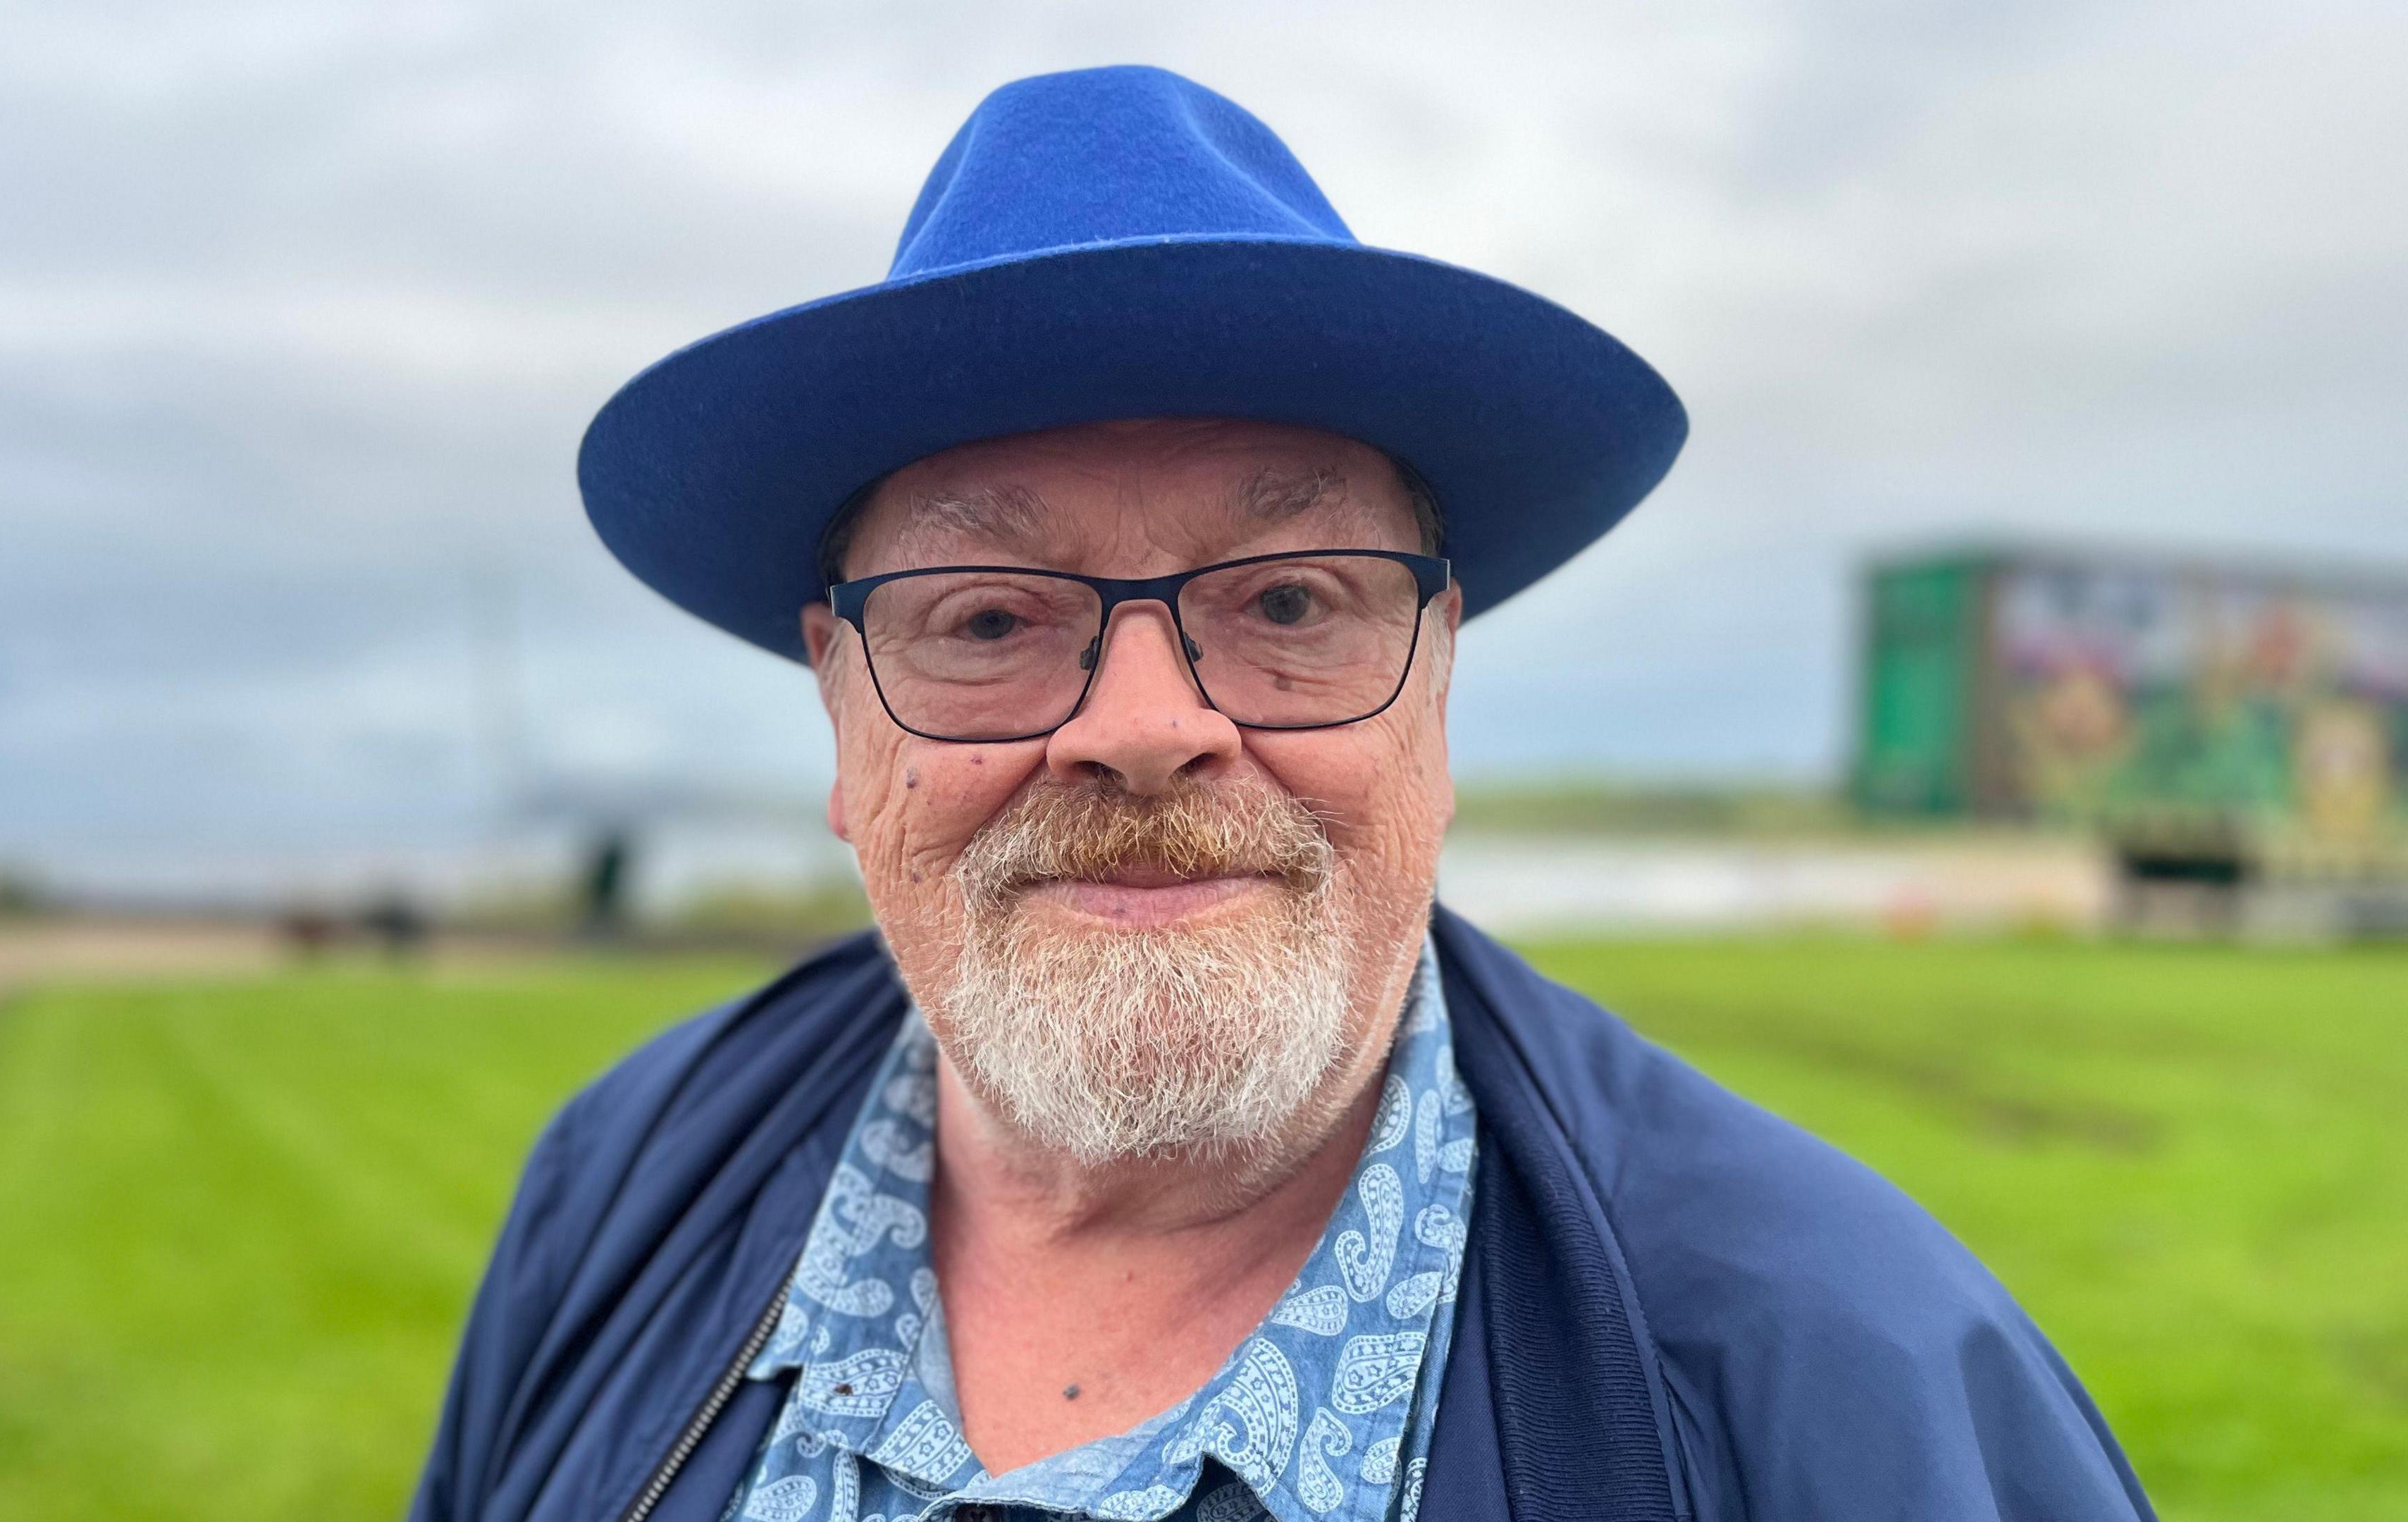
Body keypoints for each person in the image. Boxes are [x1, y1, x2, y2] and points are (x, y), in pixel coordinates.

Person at [413, 66, 2154, 1522]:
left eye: (1292, 602)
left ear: (1440, 686)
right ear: (842, 711)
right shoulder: (622, 1190)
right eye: (994, 618)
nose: (1148, 726)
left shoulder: (1846, 1384)